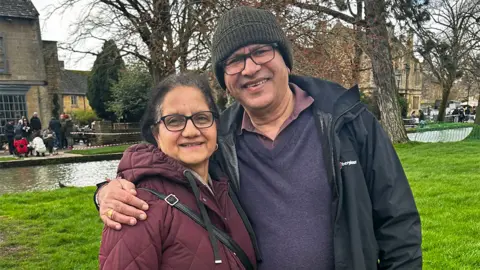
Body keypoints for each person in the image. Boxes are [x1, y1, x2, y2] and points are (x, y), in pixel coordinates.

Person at [94, 6, 422, 269]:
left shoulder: (348, 120)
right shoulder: (217, 140)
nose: (250, 68)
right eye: (235, 60)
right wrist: (106, 191)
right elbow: (162, 165)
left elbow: (398, 223)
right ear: (224, 79)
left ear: (284, 60)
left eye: (261, 51)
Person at [99, 73, 257, 269]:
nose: (191, 131)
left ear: (216, 126)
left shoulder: (226, 184)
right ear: (156, 134)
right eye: (174, 121)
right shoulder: (136, 206)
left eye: (201, 118)